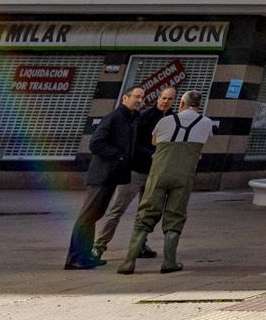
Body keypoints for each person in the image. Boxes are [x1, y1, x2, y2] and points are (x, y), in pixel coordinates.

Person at [118, 89, 215, 275]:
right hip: (184, 175)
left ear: (181, 104)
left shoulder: (165, 121)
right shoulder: (206, 123)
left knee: (146, 213)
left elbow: (155, 141)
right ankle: (169, 261)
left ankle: (129, 263)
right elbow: (205, 139)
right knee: (175, 215)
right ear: (199, 105)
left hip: (159, 173)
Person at [66, 85, 143, 268]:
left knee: (94, 215)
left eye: (142, 97)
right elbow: (96, 143)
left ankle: (86, 256)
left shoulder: (130, 118)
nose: (139, 101)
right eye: (136, 97)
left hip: (111, 176)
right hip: (101, 176)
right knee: (87, 217)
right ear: (125, 98)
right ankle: (75, 259)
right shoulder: (115, 117)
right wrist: (118, 155)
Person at [96, 85, 172, 262]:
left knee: (145, 213)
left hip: (154, 172)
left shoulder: (172, 119)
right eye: (163, 98)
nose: (165, 102)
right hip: (135, 170)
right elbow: (133, 142)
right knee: (117, 209)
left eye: (169, 99)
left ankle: (140, 245)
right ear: (158, 98)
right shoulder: (144, 116)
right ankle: (99, 246)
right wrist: (149, 154)